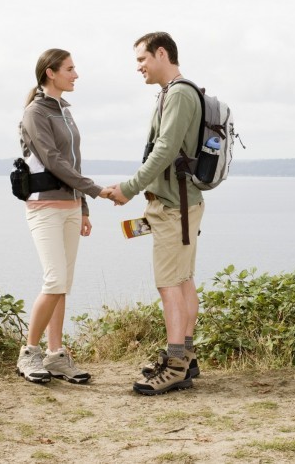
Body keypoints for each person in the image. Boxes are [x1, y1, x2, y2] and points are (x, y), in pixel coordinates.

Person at [107, 32, 204, 395]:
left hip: (173, 205)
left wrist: (129, 188)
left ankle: (175, 364)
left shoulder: (178, 92)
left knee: (169, 285)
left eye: (141, 60)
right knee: (182, 280)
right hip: (182, 202)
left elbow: (163, 150)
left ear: (161, 53)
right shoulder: (177, 92)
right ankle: (187, 359)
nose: (139, 68)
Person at [15, 48, 113, 384]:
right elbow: (54, 161)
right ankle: (29, 353)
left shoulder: (65, 112)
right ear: (51, 72)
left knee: (63, 286)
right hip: (44, 207)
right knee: (54, 281)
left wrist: (83, 206)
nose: (76, 74)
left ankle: (56, 356)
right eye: (70, 69)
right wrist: (96, 190)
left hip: (71, 208)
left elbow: (74, 162)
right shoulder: (35, 113)